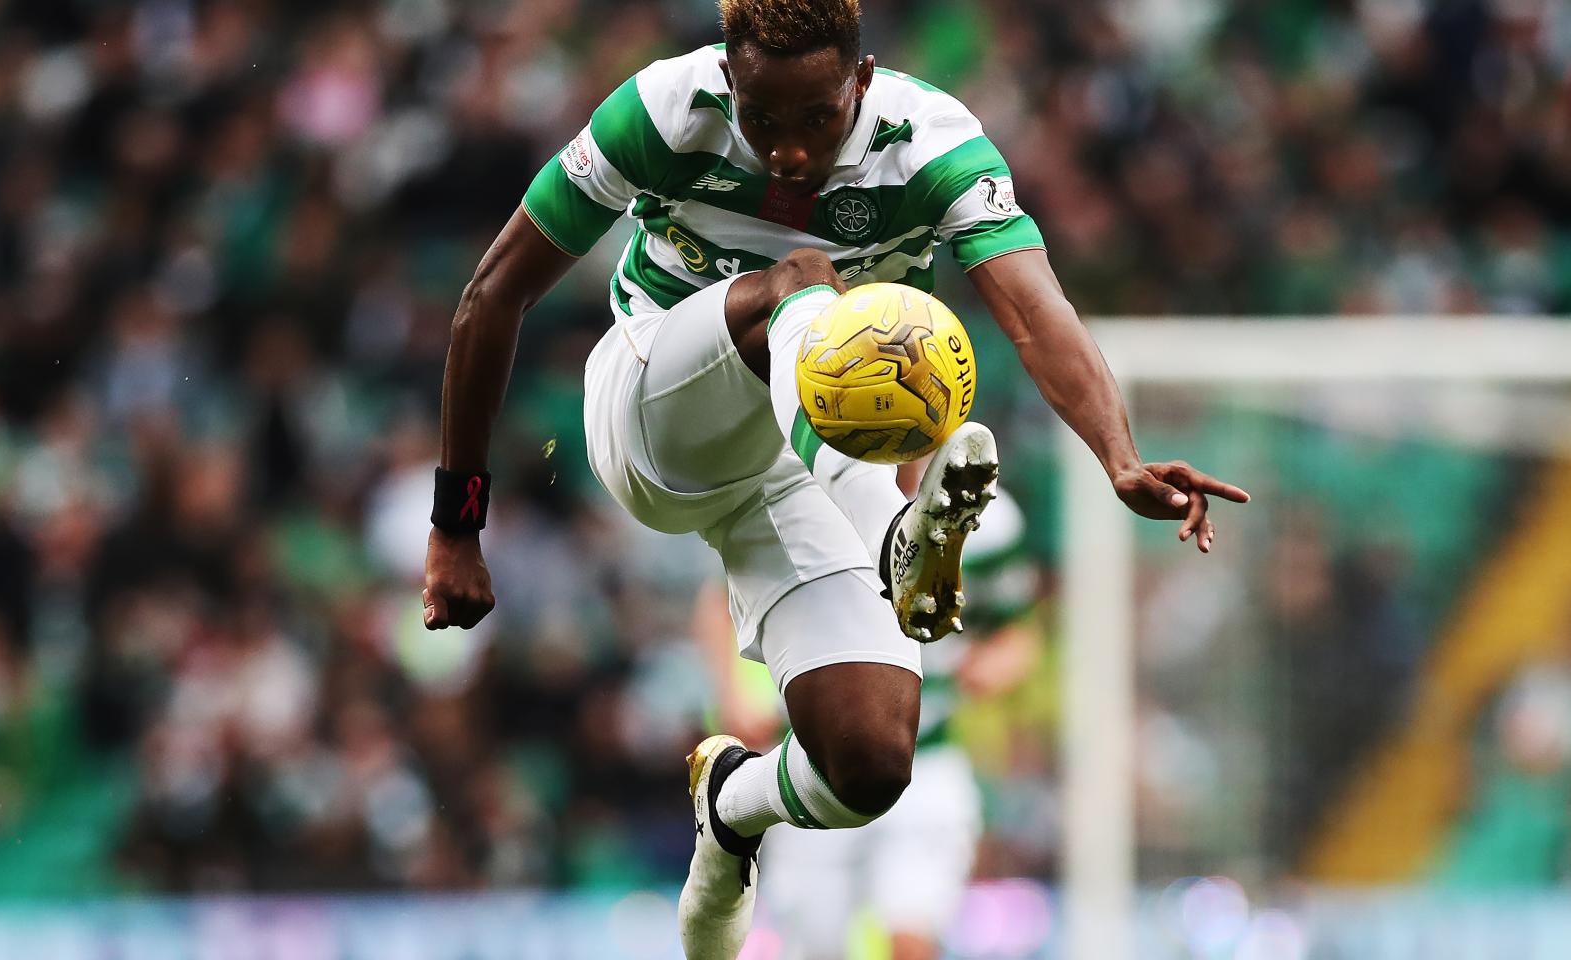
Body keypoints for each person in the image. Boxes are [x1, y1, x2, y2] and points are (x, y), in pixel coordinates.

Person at [419, 1, 1248, 956]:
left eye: (817, 120)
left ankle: (734, 803)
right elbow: (493, 296)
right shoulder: (660, 111)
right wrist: (457, 523)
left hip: (781, 480)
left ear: (861, 82)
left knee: (871, 758)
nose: (790, 154)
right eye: (763, 122)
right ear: (729, 82)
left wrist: (1118, 455)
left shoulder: (931, 144)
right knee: (801, 283)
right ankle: (895, 531)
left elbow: (1031, 310)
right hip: (653, 413)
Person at [695, 484, 1043, 960]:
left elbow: (1016, 630)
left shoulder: (982, 511)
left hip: (926, 760)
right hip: (810, 762)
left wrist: (993, 665)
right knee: (815, 947)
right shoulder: (799, 492)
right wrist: (733, 694)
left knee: (912, 938)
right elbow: (722, 596)